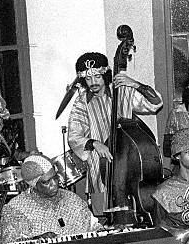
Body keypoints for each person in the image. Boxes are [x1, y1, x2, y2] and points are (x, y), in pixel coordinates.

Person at [67, 52, 162, 212]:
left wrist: (135, 84)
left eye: (97, 76)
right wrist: (94, 143)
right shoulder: (81, 102)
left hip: (130, 164)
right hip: (101, 170)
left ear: (106, 74)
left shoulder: (122, 92)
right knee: (103, 217)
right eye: (88, 79)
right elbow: (74, 136)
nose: (93, 82)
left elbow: (156, 103)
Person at [0, 154, 101, 244]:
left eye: (55, 177)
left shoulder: (72, 199)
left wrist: (107, 231)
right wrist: (36, 240)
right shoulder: (15, 209)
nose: (54, 184)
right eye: (46, 182)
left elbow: (94, 227)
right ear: (33, 184)